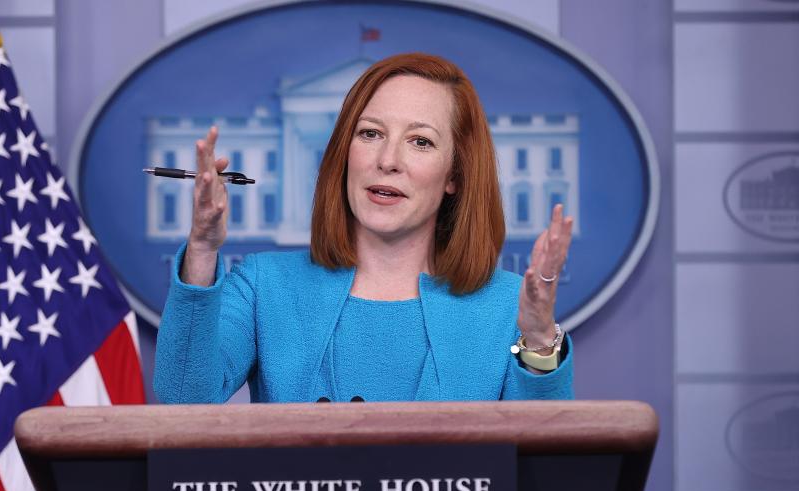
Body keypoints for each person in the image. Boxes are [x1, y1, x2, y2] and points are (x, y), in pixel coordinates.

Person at [153, 53, 574, 404]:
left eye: (420, 141)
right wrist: (203, 250)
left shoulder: (505, 308)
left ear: (455, 176)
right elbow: (182, 402)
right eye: (370, 133)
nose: (388, 159)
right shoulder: (265, 286)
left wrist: (537, 339)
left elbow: (549, 473)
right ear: (344, 154)